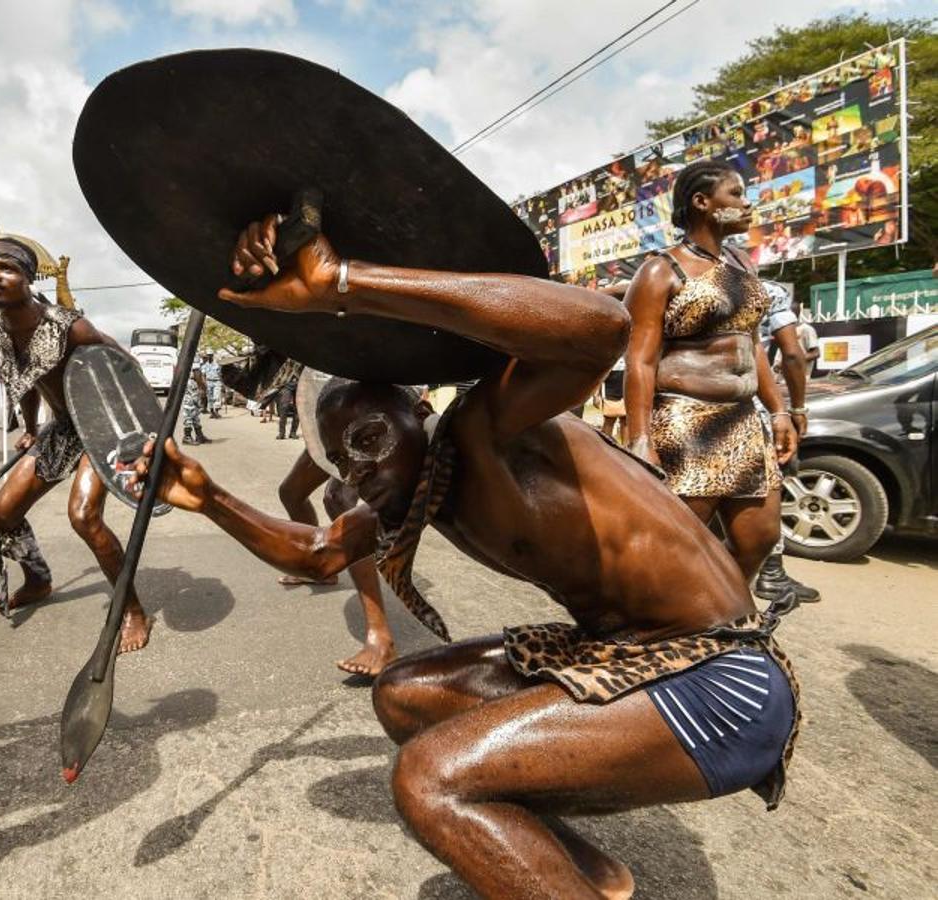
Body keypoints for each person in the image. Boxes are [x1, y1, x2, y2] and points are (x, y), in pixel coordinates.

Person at [131, 212, 799, 899]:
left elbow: (600, 329)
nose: (358, 472)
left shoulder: (491, 428)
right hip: (621, 657)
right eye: (341, 462)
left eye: (366, 439)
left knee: (431, 779)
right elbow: (319, 553)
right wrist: (208, 498)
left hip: (723, 683)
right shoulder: (418, 484)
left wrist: (346, 283)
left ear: (416, 412)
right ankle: (565, 873)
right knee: (404, 695)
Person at [0, 237, 152, 652]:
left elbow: (129, 366)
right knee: (3, 512)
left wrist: (141, 431)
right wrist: (33, 427)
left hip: (104, 428)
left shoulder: (70, 326)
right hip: (64, 427)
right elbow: (26, 378)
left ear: (29, 279)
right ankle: (38, 579)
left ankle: (132, 609)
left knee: (84, 517)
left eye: (6, 268)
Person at [625, 160, 798, 583]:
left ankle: (720, 617)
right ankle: (663, 624)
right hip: (685, 424)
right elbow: (640, 360)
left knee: (759, 537)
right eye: (735, 194)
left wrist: (778, 410)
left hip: (742, 420)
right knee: (677, 545)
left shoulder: (743, 264)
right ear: (702, 203)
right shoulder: (660, 270)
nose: (746, 203)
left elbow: (752, 342)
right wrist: (640, 440)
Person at [275, 449, 398, 676]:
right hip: (326, 424)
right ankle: (320, 570)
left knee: (338, 498)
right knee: (291, 492)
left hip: (360, 421)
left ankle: (381, 638)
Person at [754, 282, 819, 606]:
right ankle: (771, 573)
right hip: (754, 406)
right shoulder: (766, 291)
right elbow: (792, 353)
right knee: (768, 488)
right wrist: (795, 408)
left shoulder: (679, 279)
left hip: (688, 405)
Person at [180, 359, 211, 446]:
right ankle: (187, 437)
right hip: (190, 385)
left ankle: (199, 436)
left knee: (195, 415)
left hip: (191, 383)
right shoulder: (193, 362)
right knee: (189, 413)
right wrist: (201, 386)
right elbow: (197, 373)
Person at [274, 368, 300, 440]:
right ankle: (281, 433)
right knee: (284, 409)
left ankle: (293, 433)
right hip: (287, 385)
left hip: (299, 385)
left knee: (297, 411)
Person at [201, 351, 224, 418]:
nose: (209, 356)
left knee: (217, 397)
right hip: (208, 382)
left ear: (212, 356)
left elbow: (220, 374)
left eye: (210, 355)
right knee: (210, 398)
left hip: (217, 381)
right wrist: (204, 383)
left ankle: (216, 411)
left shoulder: (217, 364)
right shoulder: (204, 365)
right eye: (208, 355)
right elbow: (203, 375)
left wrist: (222, 384)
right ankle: (212, 412)